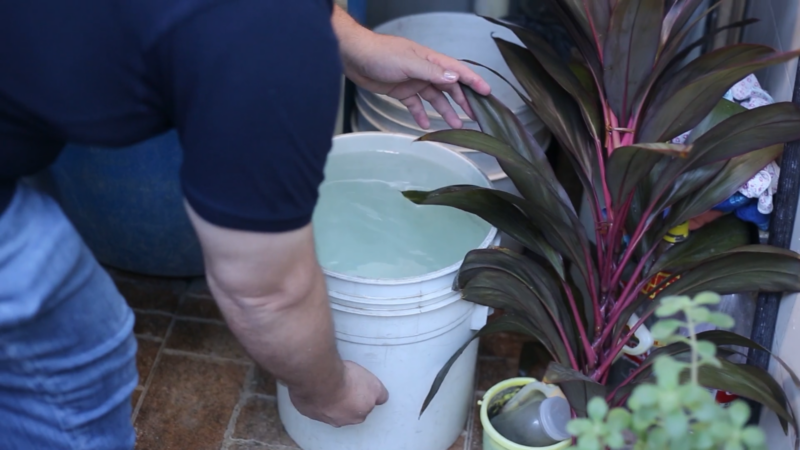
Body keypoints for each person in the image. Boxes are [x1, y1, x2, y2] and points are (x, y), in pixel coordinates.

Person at [0, 1, 491, 448]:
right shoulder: (268, 45)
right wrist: (326, 390)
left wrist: (346, 37)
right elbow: (264, 292)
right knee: (76, 366)